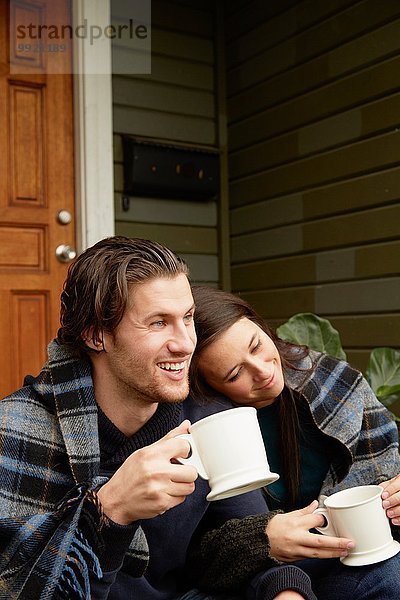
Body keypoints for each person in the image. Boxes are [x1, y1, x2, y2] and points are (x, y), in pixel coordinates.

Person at [0, 236, 318, 600]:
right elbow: (18, 588)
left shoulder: (207, 417)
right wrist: (110, 510)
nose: (185, 344)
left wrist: (284, 591)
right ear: (95, 334)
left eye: (187, 318)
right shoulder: (19, 432)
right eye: (157, 323)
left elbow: (250, 544)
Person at [189, 285, 400, 600]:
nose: (262, 371)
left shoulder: (332, 383)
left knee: (390, 577)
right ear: (208, 385)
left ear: (261, 326)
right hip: (260, 574)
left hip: (345, 557)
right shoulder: (207, 430)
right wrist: (260, 541)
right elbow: (196, 556)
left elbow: (386, 471)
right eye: (235, 374)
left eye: (257, 345)